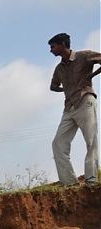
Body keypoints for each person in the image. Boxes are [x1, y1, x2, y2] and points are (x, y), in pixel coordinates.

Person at [48, 32, 101, 187]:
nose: (51, 50)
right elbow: (53, 87)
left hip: (85, 100)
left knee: (91, 141)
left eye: (53, 46)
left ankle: (91, 180)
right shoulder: (59, 68)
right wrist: (67, 89)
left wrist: (91, 76)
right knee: (58, 143)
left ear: (62, 45)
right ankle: (70, 183)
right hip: (69, 107)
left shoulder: (84, 56)